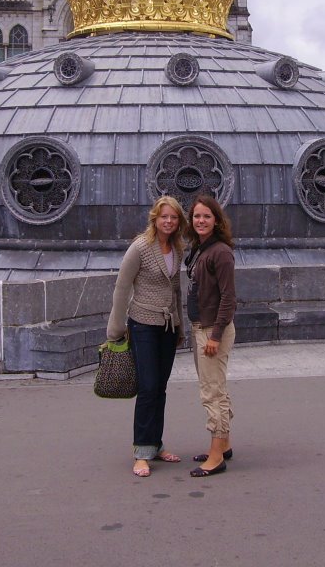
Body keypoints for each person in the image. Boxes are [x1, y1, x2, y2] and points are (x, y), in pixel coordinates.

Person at [106, 195, 187, 478]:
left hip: (167, 326)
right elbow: (121, 287)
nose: (168, 221)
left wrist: (180, 326)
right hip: (142, 323)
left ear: (179, 222)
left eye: (173, 217)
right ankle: (141, 451)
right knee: (148, 386)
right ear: (155, 218)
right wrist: (115, 329)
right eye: (164, 216)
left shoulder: (177, 247)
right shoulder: (140, 247)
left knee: (161, 387)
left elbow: (177, 290)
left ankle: (156, 444)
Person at [184, 194, 236, 478]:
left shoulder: (221, 252)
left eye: (206, 216)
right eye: (196, 216)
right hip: (201, 327)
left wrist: (215, 336)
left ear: (216, 220)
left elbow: (229, 298)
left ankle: (216, 457)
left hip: (212, 330)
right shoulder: (200, 248)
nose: (200, 220)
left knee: (211, 393)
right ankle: (223, 443)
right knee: (218, 387)